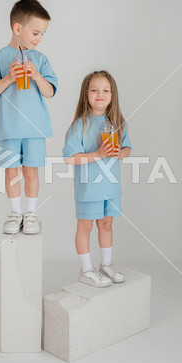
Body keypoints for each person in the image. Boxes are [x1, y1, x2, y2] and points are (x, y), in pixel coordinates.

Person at [0, 0, 57, 234]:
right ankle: (15, 213)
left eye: (42, 34)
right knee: (12, 171)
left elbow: (49, 92)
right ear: (18, 28)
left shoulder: (41, 60)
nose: (39, 39)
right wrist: (8, 78)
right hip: (9, 130)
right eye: (35, 32)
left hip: (35, 129)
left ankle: (30, 214)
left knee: (31, 171)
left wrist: (36, 76)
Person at [62, 70, 132, 287]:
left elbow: (127, 147)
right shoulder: (80, 125)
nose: (99, 94)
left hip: (110, 188)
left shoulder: (118, 123)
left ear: (112, 95)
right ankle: (85, 270)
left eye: (105, 90)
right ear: (86, 95)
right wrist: (97, 154)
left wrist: (121, 152)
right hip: (88, 189)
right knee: (85, 227)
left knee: (107, 224)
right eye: (94, 90)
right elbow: (69, 159)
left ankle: (106, 265)